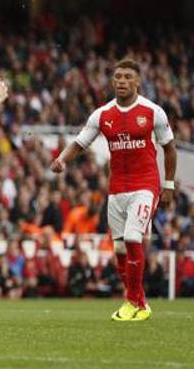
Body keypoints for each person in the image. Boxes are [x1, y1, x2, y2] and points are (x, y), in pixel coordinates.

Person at [51, 58, 177, 322]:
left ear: (138, 81)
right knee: (119, 250)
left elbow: (169, 147)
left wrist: (168, 185)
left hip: (145, 185)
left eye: (127, 77)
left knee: (133, 238)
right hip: (117, 188)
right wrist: (62, 159)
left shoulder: (153, 112)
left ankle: (134, 302)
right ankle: (138, 302)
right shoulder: (102, 114)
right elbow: (80, 142)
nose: (121, 81)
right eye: (118, 76)